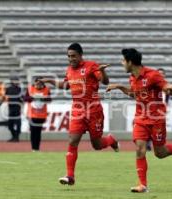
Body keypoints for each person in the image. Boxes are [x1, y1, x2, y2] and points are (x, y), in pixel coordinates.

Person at [106, 48, 172, 193]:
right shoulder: (132, 77)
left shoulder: (152, 75)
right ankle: (142, 185)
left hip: (156, 119)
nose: (122, 63)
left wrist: (170, 88)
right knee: (140, 149)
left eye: (123, 61)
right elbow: (134, 94)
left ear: (130, 62)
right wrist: (119, 87)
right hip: (140, 118)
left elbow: (165, 87)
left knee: (160, 153)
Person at [42, 42, 119, 185]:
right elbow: (65, 85)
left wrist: (102, 71)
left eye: (73, 56)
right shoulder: (69, 70)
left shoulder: (91, 66)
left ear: (80, 55)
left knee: (96, 145)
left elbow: (105, 81)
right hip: (77, 111)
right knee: (72, 141)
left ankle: (110, 140)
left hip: (94, 111)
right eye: (69, 56)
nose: (71, 59)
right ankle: (70, 176)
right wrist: (49, 80)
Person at [24, 76, 51, 151]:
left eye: (40, 83)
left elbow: (49, 100)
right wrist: (32, 97)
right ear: (35, 83)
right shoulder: (30, 89)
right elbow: (25, 99)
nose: (38, 85)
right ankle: (33, 148)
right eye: (37, 83)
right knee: (33, 131)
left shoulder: (46, 89)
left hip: (41, 115)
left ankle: (37, 148)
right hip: (31, 114)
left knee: (38, 132)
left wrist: (43, 98)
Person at [146, 68, 169, 151]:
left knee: (158, 130)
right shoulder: (152, 85)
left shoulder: (166, 86)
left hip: (160, 111)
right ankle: (148, 143)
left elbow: (167, 99)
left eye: (162, 73)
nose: (161, 75)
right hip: (151, 110)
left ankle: (159, 144)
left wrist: (165, 108)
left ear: (165, 75)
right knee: (148, 126)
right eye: (159, 73)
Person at [0, 76, 23, 142]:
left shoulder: (20, 89)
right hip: (11, 108)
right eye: (15, 81)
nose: (17, 82)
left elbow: (23, 99)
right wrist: (0, 103)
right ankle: (14, 137)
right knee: (10, 125)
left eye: (17, 81)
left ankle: (16, 137)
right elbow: (4, 97)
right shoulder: (8, 89)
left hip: (17, 108)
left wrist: (22, 105)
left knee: (18, 124)